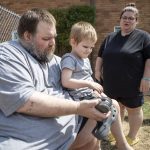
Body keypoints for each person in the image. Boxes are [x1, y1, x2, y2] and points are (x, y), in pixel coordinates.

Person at [0, 8, 133, 150]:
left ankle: (121, 145)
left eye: (54, 37)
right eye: (46, 38)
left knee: (109, 107)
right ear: (27, 36)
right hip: (38, 141)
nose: (53, 43)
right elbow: (26, 102)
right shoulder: (8, 55)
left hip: (71, 126)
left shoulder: (55, 60)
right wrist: (78, 108)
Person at [60, 21, 133, 149]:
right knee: (109, 107)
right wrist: (89, 84)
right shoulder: (69, 59)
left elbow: (88, 78)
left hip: (89, 94)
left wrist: (98, 91)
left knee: (112, 103)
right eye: (85, 47)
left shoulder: (86, 60)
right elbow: (66, 81)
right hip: (79, 98)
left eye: (91, 47)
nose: (88, 50)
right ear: (73, 42)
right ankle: (116, 139)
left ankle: (109, 137)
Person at [95, 3, 150, 146]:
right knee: (116, 107)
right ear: (120, 20)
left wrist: (146, 77)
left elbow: (149, 59)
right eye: (125, 17)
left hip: (132, 82)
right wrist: (96, 71)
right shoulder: (110, 37)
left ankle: (132, 136)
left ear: (136, 21)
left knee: (134, 109)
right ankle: (116, 133)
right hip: (111, 82)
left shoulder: (143, 37)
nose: (127, 20)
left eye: (131, 18)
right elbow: (100, 56)